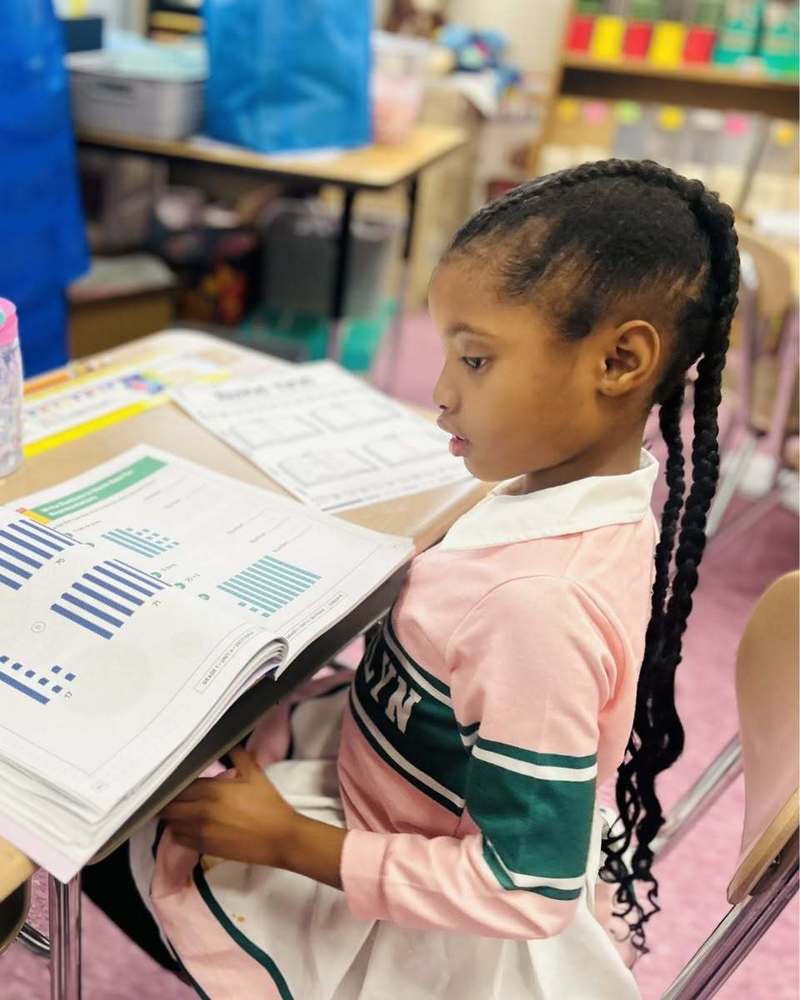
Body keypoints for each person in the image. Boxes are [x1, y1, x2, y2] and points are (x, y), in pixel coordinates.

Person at [82, 159, 739, 999]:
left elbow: (523, 886)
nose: (437, 392)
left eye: (474, 361)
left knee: (101, 833)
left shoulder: (539, 606)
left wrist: (287, 843)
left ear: (618, 362)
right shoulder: (557, 495)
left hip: (407, 915)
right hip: (381, 767)